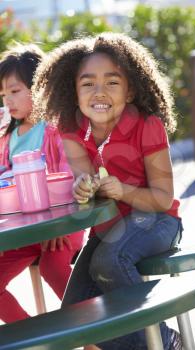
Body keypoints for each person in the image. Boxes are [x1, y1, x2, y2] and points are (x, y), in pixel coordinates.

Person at [32, 33, 183, 350]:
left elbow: (163, 198)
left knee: (109, 261)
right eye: (87, 84)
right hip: (108, 229)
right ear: (73, 92)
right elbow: (87, 186)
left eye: (112, 82)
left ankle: (163, 341)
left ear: (130, 91)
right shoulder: (70, 131)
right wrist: (83, 187)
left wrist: (123, 190)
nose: (99, 92)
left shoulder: (148, 125)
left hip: (157, 221)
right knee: (73, 318)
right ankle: (156, 339)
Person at [0, 43, 87, 323]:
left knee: (53, 269)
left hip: (60, 228)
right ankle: (37, 340)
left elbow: (68, 178)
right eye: (3, 95)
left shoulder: (56, 128)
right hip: (22, 234)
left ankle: (99, 335)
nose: (7, 101)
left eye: (14, 91)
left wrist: (57, 223)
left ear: (39, 86)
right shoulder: (6, 138)